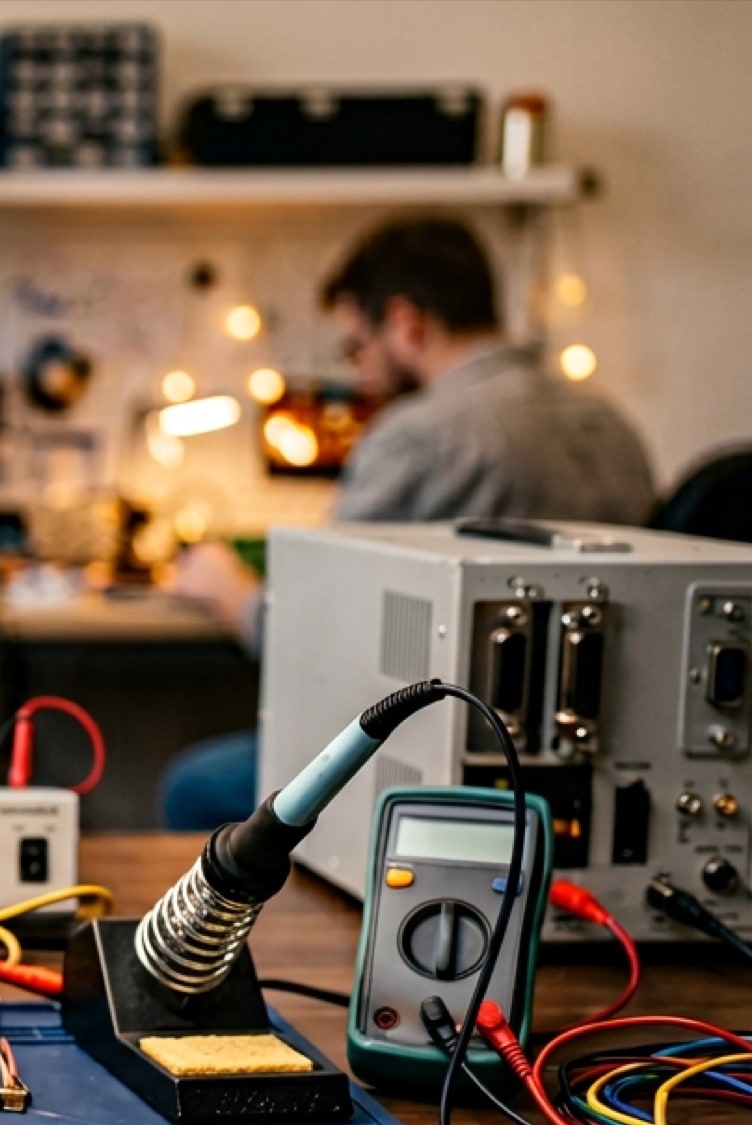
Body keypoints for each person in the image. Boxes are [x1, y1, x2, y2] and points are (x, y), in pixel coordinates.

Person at [158, 217, 658, 830]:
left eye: (355, 345)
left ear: (405, 321)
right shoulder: (610, 424)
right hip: (601, 773)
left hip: (450, 755)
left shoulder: (420, 436)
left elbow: (308, 634)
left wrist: (225, 586)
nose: (360, 371)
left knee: (195, 787)